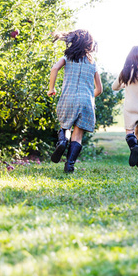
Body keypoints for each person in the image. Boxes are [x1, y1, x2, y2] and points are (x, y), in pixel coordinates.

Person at [47, 29, 103, 173]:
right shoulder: (92, 62)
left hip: (68, 98)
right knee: (77, 135)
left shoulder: (67, 57)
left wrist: (51, 88)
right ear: (89, 44)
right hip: (86, 102)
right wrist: (89, 97)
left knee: (65, 126)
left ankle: (62, 141)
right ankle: (70, 164)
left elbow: (54, 69)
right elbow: (100, 89)